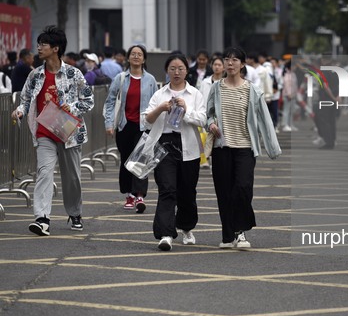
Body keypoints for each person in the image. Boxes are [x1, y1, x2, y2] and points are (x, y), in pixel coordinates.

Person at [11, 25, 94, 235]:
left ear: (55, 48)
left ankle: (75, 212)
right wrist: (20, 111)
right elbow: (26, 99)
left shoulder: (74, 74)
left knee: (72, 177)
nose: (38, 48)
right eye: (38, 44)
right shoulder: (35, 75)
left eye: (43, 45)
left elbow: (89, 100)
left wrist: (72, 108)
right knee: (44, 173)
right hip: (44, 133)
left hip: (68, 133)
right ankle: (42, 219)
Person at [207, 47, 281, 249]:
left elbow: (265, 120)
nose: (230, 63)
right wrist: (211, 123)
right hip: (222, 147)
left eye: (234, 60)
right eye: (227, 60)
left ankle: (241, 232)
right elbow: (209, 114)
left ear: (242, 64)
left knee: (242, 187)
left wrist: (272, 148)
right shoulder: (216, 88)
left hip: (245, 147)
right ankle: (227, 235)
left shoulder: (252, 90)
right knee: (223, 192)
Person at [143, 54, 207, 251]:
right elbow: (146, 120)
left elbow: (203, 119)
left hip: (189, 145)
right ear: (167, 71)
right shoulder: (159, 94)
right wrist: (161, 109)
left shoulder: (194, 94)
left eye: (180, 68)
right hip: (164, 144)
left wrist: (186, 110)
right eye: (172, 68)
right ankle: (166, 234)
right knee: (167, 188)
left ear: (187, 71)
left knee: (187, 191)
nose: (176, 72)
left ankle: (186, 228)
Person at [103, 45, 158, 212]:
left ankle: (140, 195)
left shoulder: (151, 80)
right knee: (127, 161)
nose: (136, 57)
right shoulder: (120, 78)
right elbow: (110, 102)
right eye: (133, 54)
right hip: (124, 125)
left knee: (141, 159)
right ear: (128, 58)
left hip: (144, 125)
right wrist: (109, 124)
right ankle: (129, 195)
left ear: (144, 59)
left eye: (139, 54)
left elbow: (155, 103)